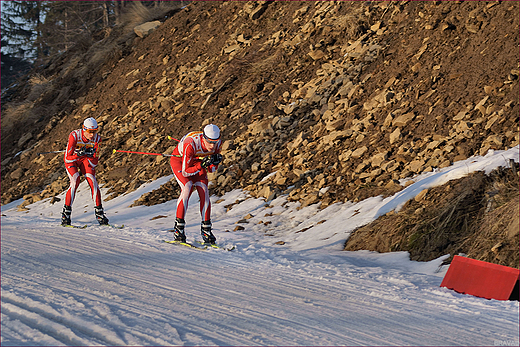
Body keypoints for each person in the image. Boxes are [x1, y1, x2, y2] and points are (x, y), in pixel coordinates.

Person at [170, 124, 223, 244]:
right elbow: (185, 171)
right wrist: (202, 165)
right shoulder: (191, 143)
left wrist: (214, 163)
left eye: (215, 142)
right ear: (203, 138)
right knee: (187, 187)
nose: (212, 146)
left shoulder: (217, 145)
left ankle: (206, 230)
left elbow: (212, 170)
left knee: (204, 190)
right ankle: (179, 229)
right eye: (209, 142)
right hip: (180, 162)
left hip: (198, 162)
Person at [61, 117, 109, 226]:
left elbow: (94, 163)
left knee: (92, 180)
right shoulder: (74, 136)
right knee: (75, 180)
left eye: (95, 131)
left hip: (84, 159)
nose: (92, 135)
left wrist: (91, 155)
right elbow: (67, 158)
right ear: (84, 129)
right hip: (73, 160)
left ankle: (100, 213)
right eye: (89, 132)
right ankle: (66, 214)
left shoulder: (97, 139)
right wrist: (78, 154)